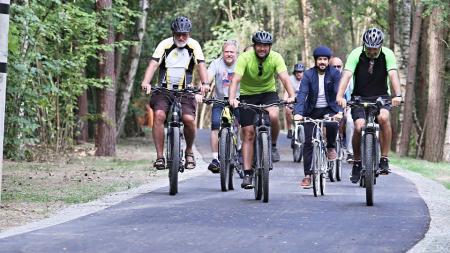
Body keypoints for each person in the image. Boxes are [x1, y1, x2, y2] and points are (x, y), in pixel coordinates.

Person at [228, 31, 296, 189]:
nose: (262, 48)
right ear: (254, 46)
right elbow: (235, 80)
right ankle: (247, 173)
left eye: (266, 46)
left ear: (270, 47)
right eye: (259, 45)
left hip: (268, 94)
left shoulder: (276, 57)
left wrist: (292, 95)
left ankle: (271, 145)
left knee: (273, 115)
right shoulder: (245, 58)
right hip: (247, 95)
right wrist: (232, 98)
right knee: (248, 133)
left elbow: (284, 78)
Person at [141, 16, 209, 170]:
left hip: (185, 90)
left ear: (189, 34)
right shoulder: (165, 44)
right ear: (173, 33)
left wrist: (205, 84)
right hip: (164, 89)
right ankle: (160, 157)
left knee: (189, 119)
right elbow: (153, 64)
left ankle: (189, 152)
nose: (181, 37)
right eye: (178, 34)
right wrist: (146, 82)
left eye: (184, 34)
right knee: (159, 116)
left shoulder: (194, 45)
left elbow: (201, 65)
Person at [336, 28, 402, 183]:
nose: (372, 51)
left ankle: (384, 158)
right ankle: (357, 162)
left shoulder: (388, 54)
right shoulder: (356, 54)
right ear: (364, 45)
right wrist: (340, 95)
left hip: (381, 96)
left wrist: (398, 95)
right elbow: (346, 75)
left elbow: (393, 74)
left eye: (375, 48)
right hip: (359, 97)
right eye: (369, 48)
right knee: (359, 126)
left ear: (380, 46)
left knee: (384, 118)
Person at [293, 46, 342, 188]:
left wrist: (339, 111)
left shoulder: (334, 74)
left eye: (325, 59)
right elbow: (302, 94)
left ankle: (331, 147)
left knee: (332, 124)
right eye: (319, 59)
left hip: (329, 108)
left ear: (328, 61)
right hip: (311, 110)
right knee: (308, 142)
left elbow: (337, 92)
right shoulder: (308, 74)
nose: (322, 62)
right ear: (315, 61)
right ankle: (307, 175)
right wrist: (298, 112)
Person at [204, 40, 240, 173]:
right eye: (226, 51)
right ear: (222, 52)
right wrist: (205, 85)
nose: (229, 54)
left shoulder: (241, 63)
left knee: (244, 123)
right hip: (220, 100)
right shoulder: (216, 63)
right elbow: (208, 77)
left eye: (232, 52)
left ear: (236, 53)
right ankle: (215, 159)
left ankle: (240, 149)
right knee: (214, 125)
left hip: (238, 100)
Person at [329, 57, 354, 162]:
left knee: (350, 120)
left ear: (342, 67)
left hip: (345, 106)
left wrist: (347, 106)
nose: (336, 68)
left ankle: (350, 151)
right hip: (329, 107)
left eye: (339, 66)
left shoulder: (347, 78)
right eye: (334, 66)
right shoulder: (325, 77)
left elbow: (349, 95)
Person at [284, 63, 305, 139]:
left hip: (303, 102)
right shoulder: (290, 79)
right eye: (297, 72)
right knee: (288, 110)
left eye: (300, 72)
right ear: (294, 72)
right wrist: (285, 102)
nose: (299, 74)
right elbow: (286, 92)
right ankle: (289, 129)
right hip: (292, 101)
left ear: (303, 72)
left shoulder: (306, 79)